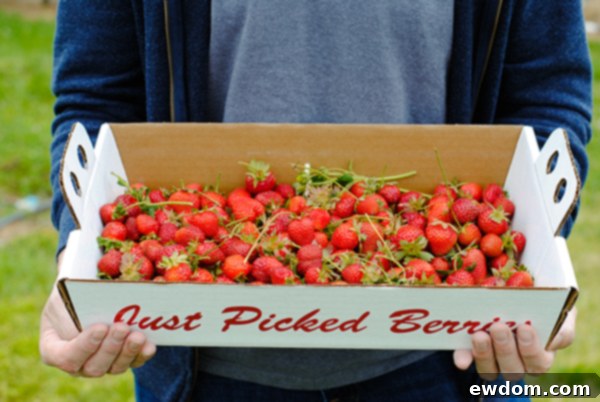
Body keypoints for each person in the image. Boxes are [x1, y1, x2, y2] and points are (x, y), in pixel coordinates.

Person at [41, 1, 590, 401]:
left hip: (456, 353)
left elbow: (545, 95)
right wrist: (78, 250)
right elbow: (97, 98)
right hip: (199, 357)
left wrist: (540, 264)